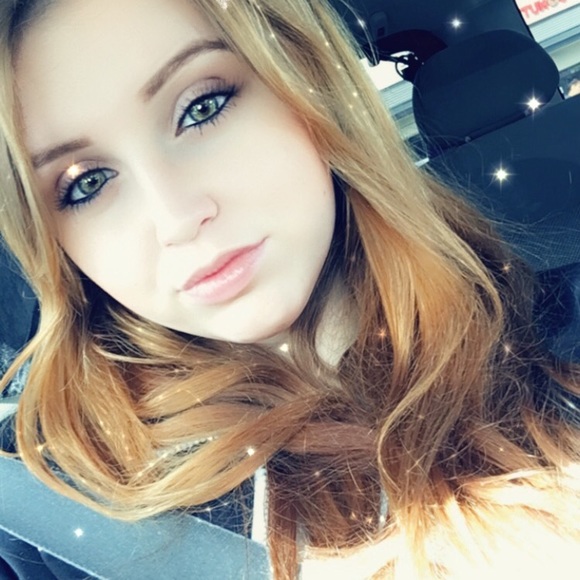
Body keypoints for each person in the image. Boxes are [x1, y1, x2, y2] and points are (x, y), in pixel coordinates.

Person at [1, 0, 579, 577]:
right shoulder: (57, 519)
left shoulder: (552, 327)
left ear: (306, 82)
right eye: (87, 183)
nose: (174, 218)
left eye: (202, 107)